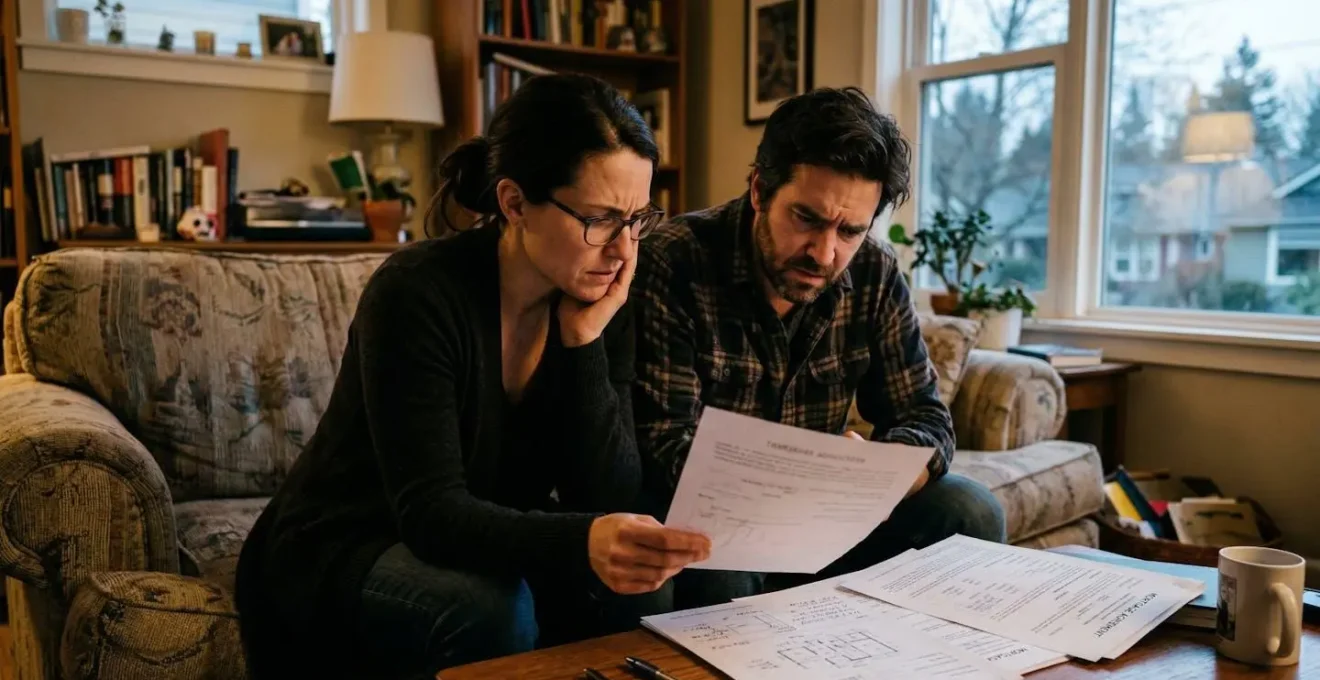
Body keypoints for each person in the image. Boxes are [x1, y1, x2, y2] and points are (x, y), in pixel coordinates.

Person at [235, 73, 711, 679]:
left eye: (639, 219)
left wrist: (584, 342)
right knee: (491, 608)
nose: (623, 249)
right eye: (600, 219)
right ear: (514, 204)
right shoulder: (417, 292)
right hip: (347, 541)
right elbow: (431, 513)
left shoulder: (598, 297)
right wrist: (579, 542)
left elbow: (609, 493)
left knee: (645, 589)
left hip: (476, 535)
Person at [632, 87, 1006, 607]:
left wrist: (885, 471)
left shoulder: (873, 272)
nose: (824, 252)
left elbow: (926, 417)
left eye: (849, 230)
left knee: (972, 509)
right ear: (760, 190)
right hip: (720, 521)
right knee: (720, 572)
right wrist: (806, 482)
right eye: (806, 219)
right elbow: (664, 445)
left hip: (832, 522)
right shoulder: (673, 263)